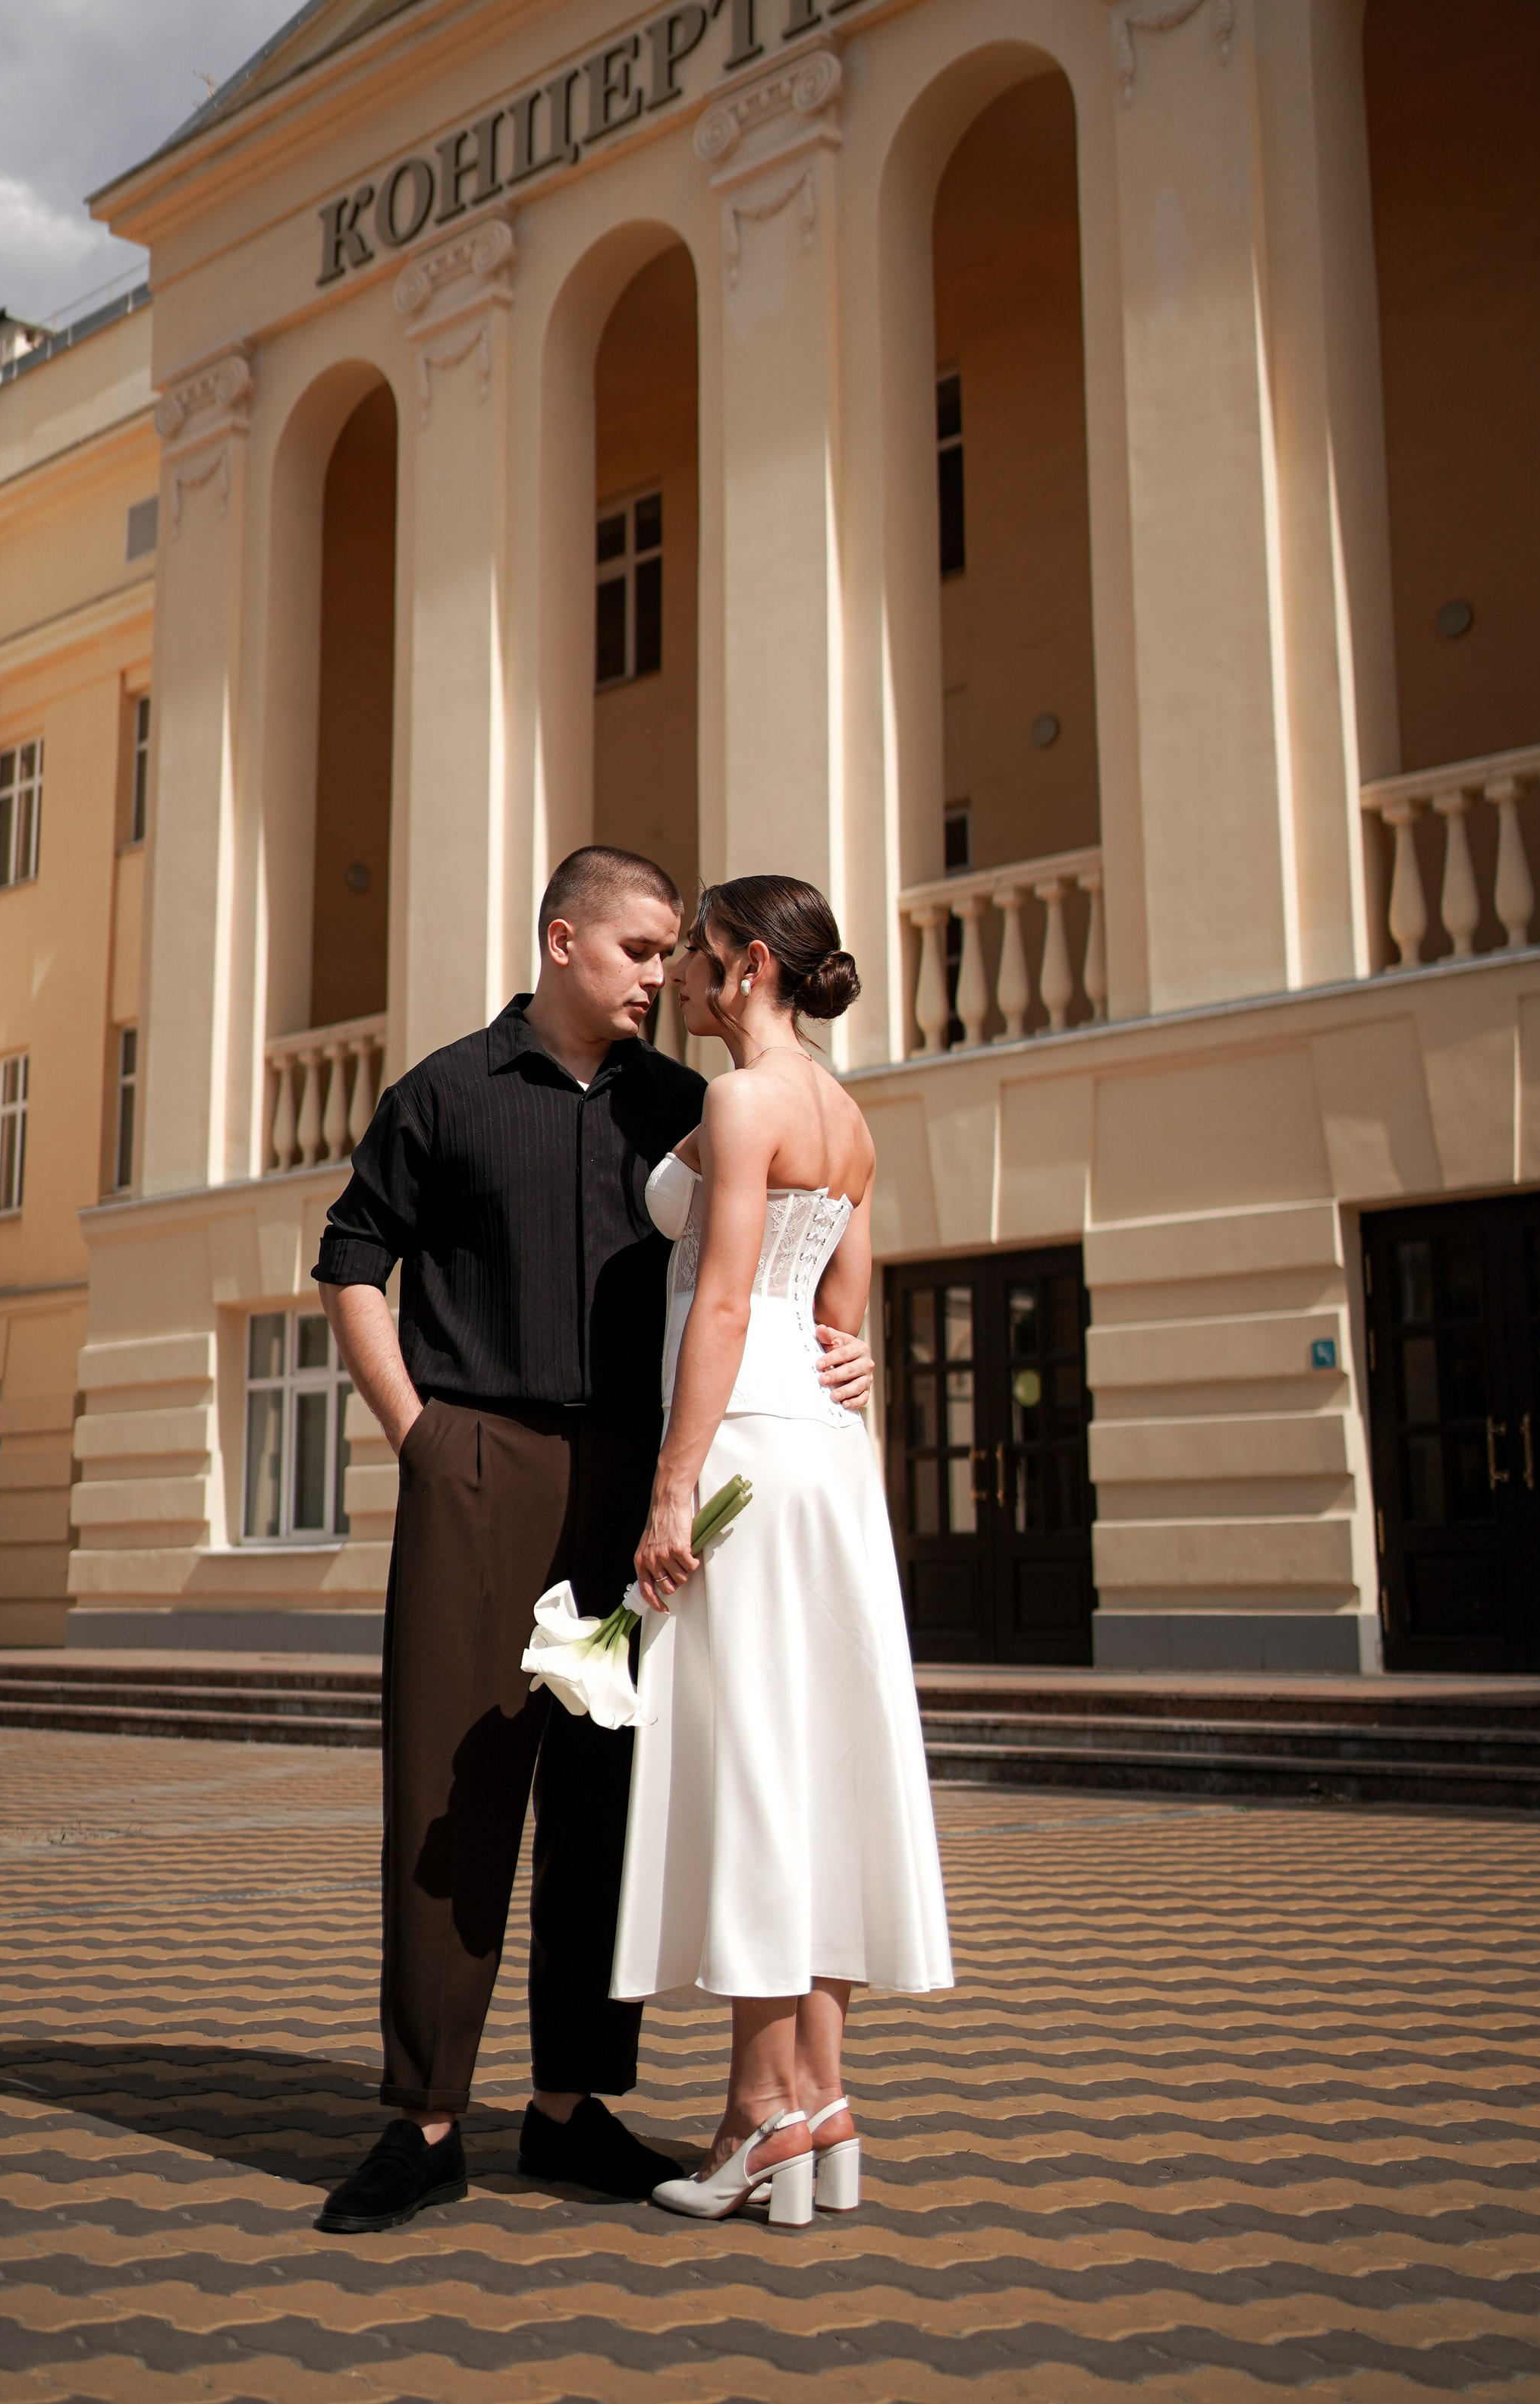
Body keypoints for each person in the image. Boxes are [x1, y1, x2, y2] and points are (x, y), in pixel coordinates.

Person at [309, 847, 877, 2236]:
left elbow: (799, 1238)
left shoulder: (693, 1104)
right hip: (481, 1461)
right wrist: (420, 1433)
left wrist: (843, 1355)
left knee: (609, 1803)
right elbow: (350, 1261)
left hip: (644, 1478)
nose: (658, 975)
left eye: (676, 951)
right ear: (563, 940)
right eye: (637, 950)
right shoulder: (445, 1089)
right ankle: (429, 2115)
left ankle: (570, 2106)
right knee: (455, 1783)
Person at [611, 874, 953, 2230]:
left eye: (697, 959)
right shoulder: (852, 1118)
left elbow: (732, 1302)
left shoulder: (743, 1101)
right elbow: (845, 1320)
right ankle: (820, 2094)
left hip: (746, 1436)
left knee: (757, 1766)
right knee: (817, 1768)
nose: (685, 979)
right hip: (828, 1460)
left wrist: (671, 1483)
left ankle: (760, 2117)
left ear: (752, 966)